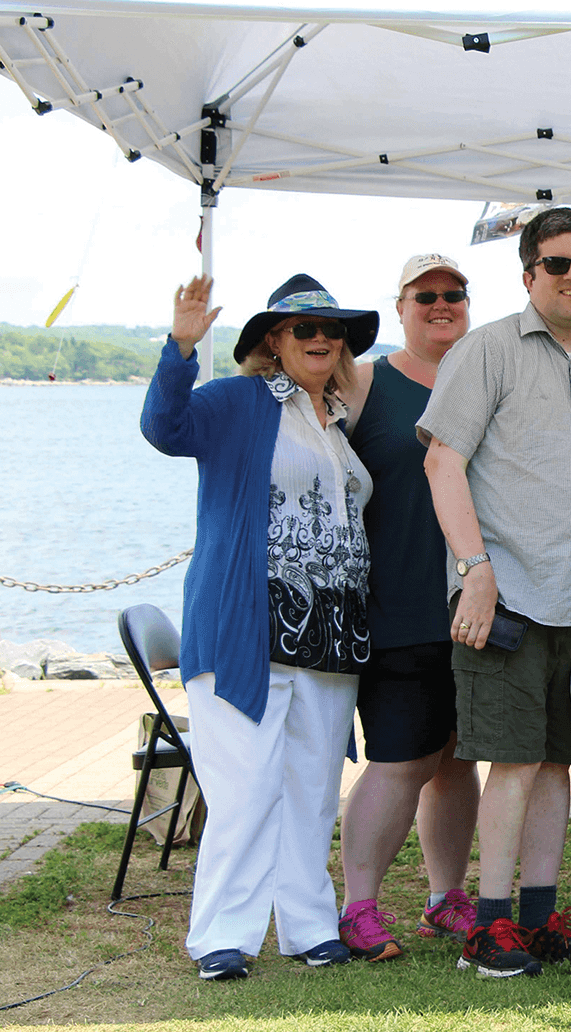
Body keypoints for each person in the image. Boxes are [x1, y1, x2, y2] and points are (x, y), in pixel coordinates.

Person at [418, 207, 571, 978]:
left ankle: (541, 919)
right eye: (557, 264)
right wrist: (474, 570)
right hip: (504, 599)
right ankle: (490, 928)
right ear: (528, 275)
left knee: (555, 767)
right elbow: (442, 464)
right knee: (511, 764)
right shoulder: (486, 353)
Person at [142, 273, 379, 980]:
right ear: (273, 342)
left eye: (331, 331)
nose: (320, 340)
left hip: (330, 637)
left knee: (310, 791)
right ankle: (222, 936)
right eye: (303, 329)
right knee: (244, 790)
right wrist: (181, 346)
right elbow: (166, 428)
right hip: (247, 630)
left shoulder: (337, 419)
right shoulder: (239, 402)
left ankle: (308, 928)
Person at [332, 254, 482, 962]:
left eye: (454, 294)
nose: (442, 305)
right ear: (401, 306)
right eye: (427, 295)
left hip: (477, 608)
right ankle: (357, 904)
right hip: (396, 606)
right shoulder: (367, 382)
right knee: (399, 760)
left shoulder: (483, 377)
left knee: (456, 760)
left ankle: (445, 898)